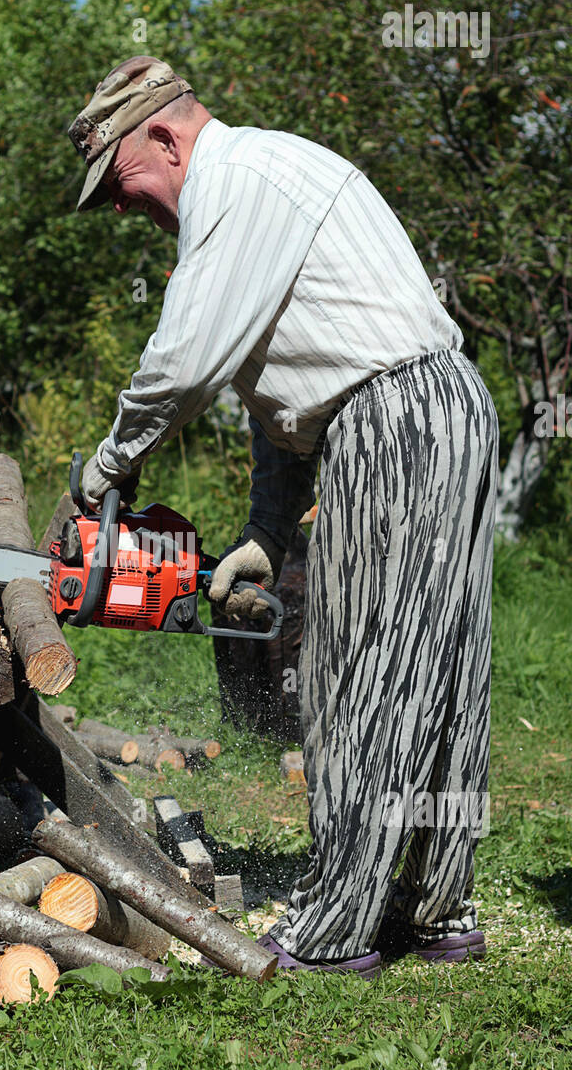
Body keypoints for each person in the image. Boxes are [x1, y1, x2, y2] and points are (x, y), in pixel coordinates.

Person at [67, 55, 499, 977]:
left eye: (120, 180)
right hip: (436, 408)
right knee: (440, 668)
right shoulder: (264, 179)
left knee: (358, 673)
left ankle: (337, 927)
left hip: (392, 424)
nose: (119, 205)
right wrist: (266, 533)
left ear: (166, 136)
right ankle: (434, 905)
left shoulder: (236, 182)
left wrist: (107, 466)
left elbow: (185, 364)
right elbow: (275, 399)